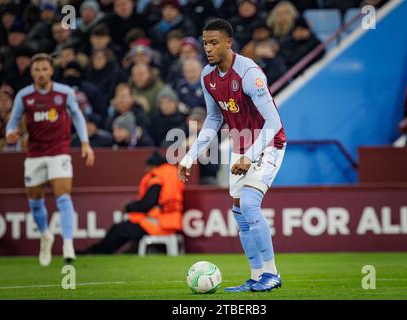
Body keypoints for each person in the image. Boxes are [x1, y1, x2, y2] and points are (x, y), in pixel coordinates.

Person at [178, 19, 286, 292]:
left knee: (250, 204)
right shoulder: (207, 76)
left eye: (214, 43)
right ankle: (257, 274)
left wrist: (249, 156)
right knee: (239, 212)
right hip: (240, 147)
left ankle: (272, 274)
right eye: (205, 43)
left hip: (268, 142)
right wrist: (190, 157)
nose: (208, 49)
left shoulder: (249, 73)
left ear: (229, 42)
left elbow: (274, 121)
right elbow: (214, 119)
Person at [5, 53, 95, 266]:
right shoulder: (24, 96)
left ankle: (68, 243)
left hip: (59, 151)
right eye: (37, 70)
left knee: (63, 197)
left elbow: (78, 116)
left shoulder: (64, 93)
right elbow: (13, 121)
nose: (41, 74)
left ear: (51, 71)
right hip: (35, 153)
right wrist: (10, 132)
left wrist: (85, 143)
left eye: (45, 69)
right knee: (35, 202)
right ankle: (45, 235)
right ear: (31, 72)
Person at [82, 151, 184, 254]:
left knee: (120, 229)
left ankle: (98, 252)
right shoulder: (172, 174)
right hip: (172, 223)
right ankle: (98, 250)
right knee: (125, 228)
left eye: (147, 167)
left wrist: (128, 207)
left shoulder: (157, 177)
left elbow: (147, 204)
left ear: (152, 166)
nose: (145, 170)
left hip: (158, 224)